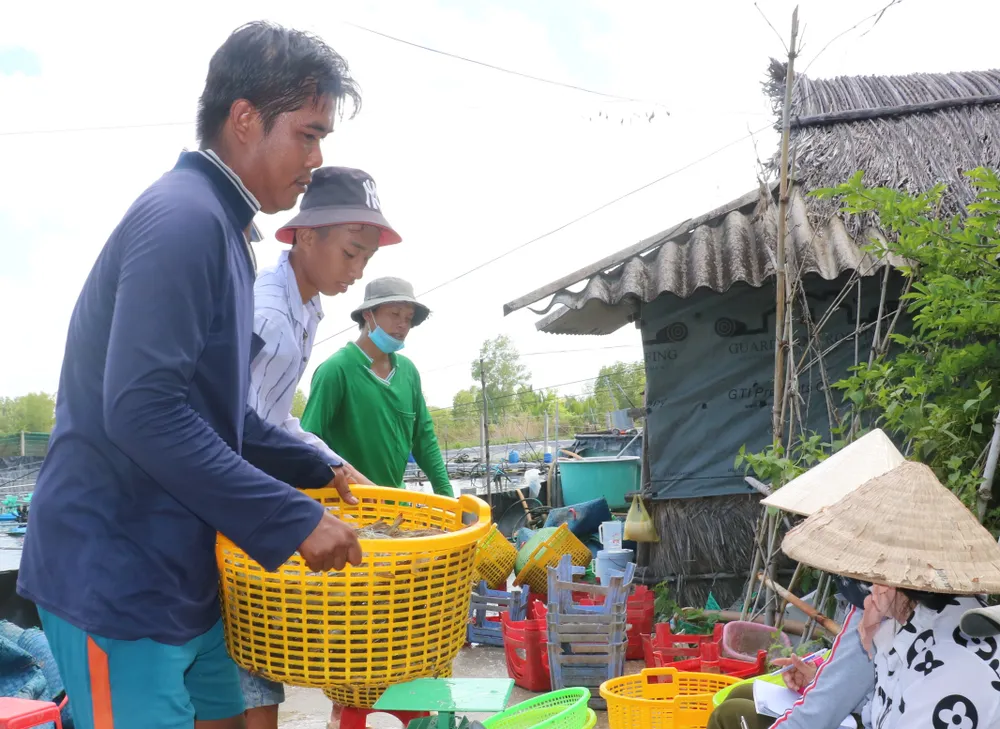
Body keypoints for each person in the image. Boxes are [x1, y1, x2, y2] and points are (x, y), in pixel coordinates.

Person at [17, 22, 367, 729]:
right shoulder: (183, 219)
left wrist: (316, 465)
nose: (316, 157)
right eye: (307, 133)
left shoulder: (228, 231)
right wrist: (290, 515)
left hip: (179, 573)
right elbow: (143, 410)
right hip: (116, 579)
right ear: (244, 119)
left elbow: (213, 416)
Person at [241, 166, 402, 729]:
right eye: (350, 254)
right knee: (248, 661)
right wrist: (318, 465)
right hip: (231, 496)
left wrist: (332, 460)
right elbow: (234, 427)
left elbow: (275, 416)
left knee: (260, 664)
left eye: (366, 260)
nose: (356, 273)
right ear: (305, 235)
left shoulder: (305, 307)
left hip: (256, 484)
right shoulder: (265, 313)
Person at [780, 460, 1000, 729]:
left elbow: (920, 704)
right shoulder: (917, 621)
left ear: (885, 584)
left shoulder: (948, 666)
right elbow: (893, 703)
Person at [301, 277, 454, 498]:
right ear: (368, 314)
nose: (402, 325)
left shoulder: (408, 372)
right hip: (352, 506)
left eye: (408, 318)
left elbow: (424, 438)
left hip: (397, 503)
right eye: (394, 314)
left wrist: (448, 496)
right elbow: (310, 441)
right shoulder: (336, 370)